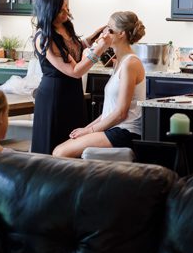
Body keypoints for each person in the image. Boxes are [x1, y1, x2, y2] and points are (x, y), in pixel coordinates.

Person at [53, 11, 147, 158]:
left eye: (109, 29)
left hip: (125, 131)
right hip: (112, 127)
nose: (104, 32)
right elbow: (109, 112)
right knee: (58, 150)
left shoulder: (131, 63)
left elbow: (121, 113)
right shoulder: (118, 62)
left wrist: (89, 131)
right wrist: (86, 128)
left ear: (121, 34)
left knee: (61, 153)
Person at [30, 0, 110, 154]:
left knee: (74, 144)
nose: (66, 12)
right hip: (54, 96)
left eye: (66, 7)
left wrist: (93, 37)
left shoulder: (65, 25)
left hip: (73, 93)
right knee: (53, 146)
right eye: (61, 10)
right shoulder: (45, 37)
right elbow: (75, 71)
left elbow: (74, 48)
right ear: (49, 11)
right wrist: (99, 49)